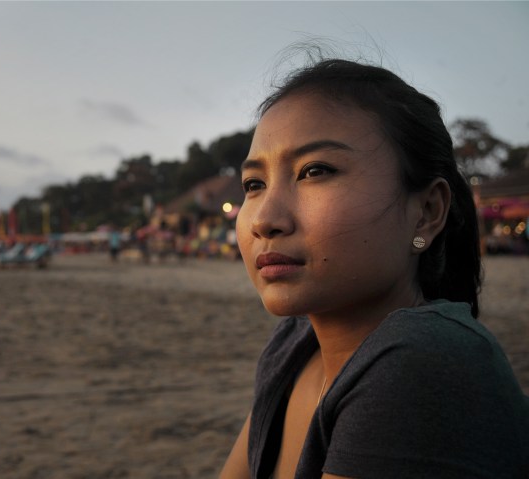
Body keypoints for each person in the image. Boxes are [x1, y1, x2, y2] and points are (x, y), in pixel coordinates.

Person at [220, 58, 529, 479]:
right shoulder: (295, 342)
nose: (263, 219)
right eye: (254, 185)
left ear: (426, 213)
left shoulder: (422, 362)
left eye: (315, 171)